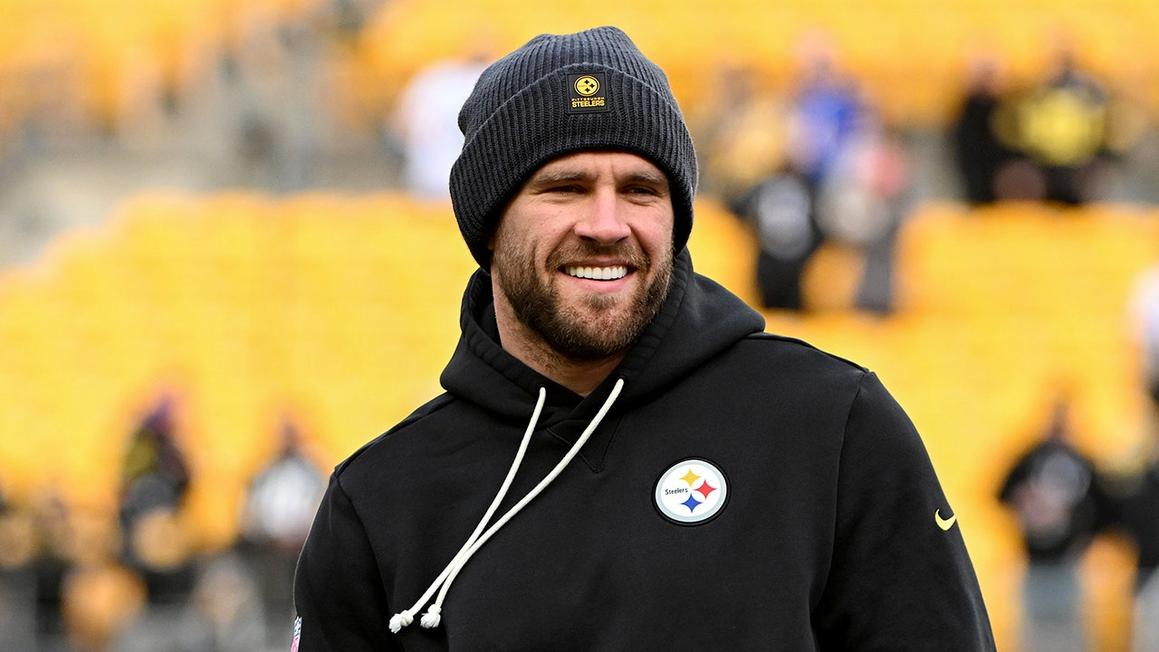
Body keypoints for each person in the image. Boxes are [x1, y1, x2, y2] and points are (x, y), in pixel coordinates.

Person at [293, 26, 995, 650]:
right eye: (564, 187)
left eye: (639, 189)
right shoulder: (384, 497)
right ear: (488, 221)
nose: (606, 223)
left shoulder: (831, 426)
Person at [997, 396, 1112, 652]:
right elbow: (1000, 493)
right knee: (1035, 639)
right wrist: (1024, 501)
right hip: (1034, 563)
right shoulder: (1030, 458)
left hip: (1068, 564)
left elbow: (1106, 508)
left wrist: (1084, 538)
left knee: (1070, 637)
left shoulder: (1082, 460)